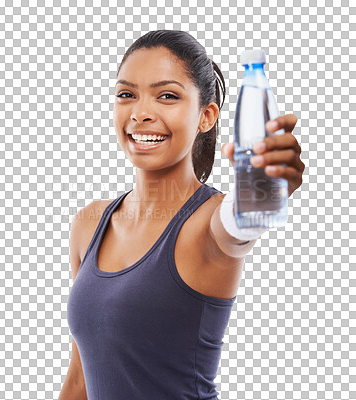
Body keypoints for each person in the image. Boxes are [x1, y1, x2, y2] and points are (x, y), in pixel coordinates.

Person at [58, 30, 305, 400]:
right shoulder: (90, 224)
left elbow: (237, 225)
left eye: (167, 96)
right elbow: (79, 381)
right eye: (127, 94)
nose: (140, 113)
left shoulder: (208, 223)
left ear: (206, 116)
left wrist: (267, 187)